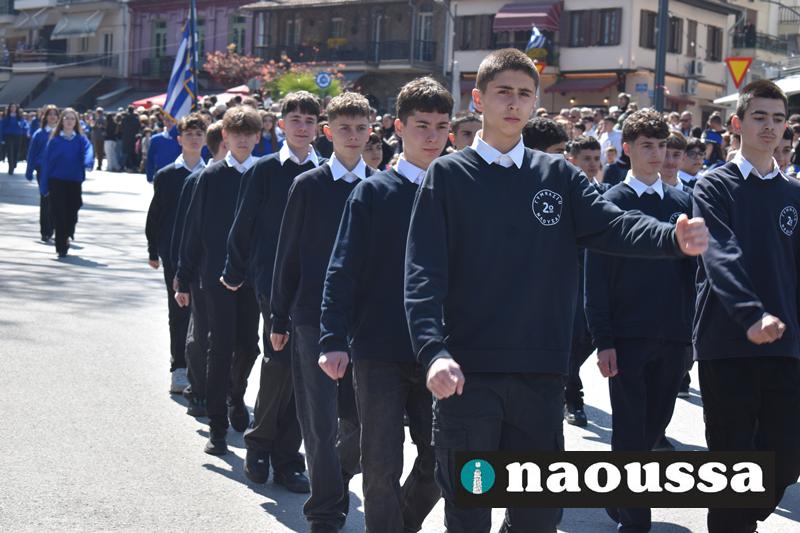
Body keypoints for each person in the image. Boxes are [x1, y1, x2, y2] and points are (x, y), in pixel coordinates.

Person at [403, 48, 709, 533]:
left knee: (539, 516)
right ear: (478, 99)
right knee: (469, 513)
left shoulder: (558, 176)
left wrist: (671, 237)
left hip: (541, 376)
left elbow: (614, 225)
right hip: (468, 377)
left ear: (535, 102)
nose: (514, 103)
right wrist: (432, 352)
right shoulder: (448, 175)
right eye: (503, 92)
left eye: (525, 94)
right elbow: (422, 273)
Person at [319, 77, 449, 533]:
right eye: (421, 125)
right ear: (399, 127)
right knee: (379, 466)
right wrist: (332, 338)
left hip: (439, 352)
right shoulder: (372, 192)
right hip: (377, 349)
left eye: (441, 126)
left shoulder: (458, 192)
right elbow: (342, 268)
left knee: (440, 462)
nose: (432, 136)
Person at [693, 79, 800, 533]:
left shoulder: (793, 193)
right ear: (737, 124)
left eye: (778, 119)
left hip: (786, 346)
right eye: (759, 117)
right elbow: (719, 253)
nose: (769, 127)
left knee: (787, 458)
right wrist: (750, 313)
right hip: (727, 343)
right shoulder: (713, 186)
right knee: (733, 465)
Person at [584, 109, 695, 532]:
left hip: (674, 336)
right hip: (627, 337)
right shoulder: (610, 203)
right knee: (631, 431)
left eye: (662, 146)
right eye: (647, 146)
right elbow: (596, 278)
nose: (657, 154)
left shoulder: (682, 204)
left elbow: (695, 274)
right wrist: (603, 340)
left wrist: (692, 335)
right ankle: (635, 520)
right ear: (627, 149)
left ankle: (619, 489)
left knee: (654, 429)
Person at [269, 92, 371, 532]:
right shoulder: (308, 185)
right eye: (344, 128)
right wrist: (279, 316)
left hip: (365, 320)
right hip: (311, 315)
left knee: (361, 420)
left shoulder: (379, 185)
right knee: (319, 419)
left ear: (372, 131)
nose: (353, 136)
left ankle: (338, 477)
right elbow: (287, 253)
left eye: (361, 128)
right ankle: (325, 511)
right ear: (327, 133)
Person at [222, 91, 323, 494]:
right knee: (279, 361)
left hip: (314, 284)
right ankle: (260, 443)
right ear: (280, 125)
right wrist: (234, 270)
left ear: (319, 128)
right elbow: (242, 223)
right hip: (272, 280)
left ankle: (288, 457)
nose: (302, 127)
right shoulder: (263, 170)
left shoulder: (326, 171)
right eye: (295, 119)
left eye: (309, 120)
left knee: (307, 371)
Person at [175, 106, 262, 455]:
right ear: (224, 136)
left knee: (249, 346)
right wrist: (183, 276)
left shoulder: (264, 174)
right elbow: (193, 228)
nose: (242, 139)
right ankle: (217, 426)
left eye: (248, 133)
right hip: (215, 276)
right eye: (236, 133)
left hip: (253, 277)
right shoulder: (209, 177)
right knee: (219, 347)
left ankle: (235, 394)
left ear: (258, 137)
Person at [145, 113, 208, 395]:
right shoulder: (167, 175)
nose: (194, 139)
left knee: (203, 313)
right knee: (179, 311)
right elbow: (156, 215)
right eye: (189, 134)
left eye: (199, 134)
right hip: (173, 253)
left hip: (204, 254)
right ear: (179, 139)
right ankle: (179, 367)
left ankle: (200, 367)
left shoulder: (211, 173)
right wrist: (153, 249)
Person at [171, 121, 226, 417]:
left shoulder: (251, 176)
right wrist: (182, 273)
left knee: (232, 339)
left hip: (235, 273)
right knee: (201, 333)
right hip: (203, 270)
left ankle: (225, 390)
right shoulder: (198, 180)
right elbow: (185, 231)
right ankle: (199, 390)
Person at [563, 135, 608, 428]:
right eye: (586, 159)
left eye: (596, 159)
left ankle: (564, 378)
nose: (592, 165)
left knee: (591, 336)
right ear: (573, 161)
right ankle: (573, 397)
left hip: (598, 276)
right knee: (574, 335)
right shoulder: (566, 193)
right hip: (572, 276)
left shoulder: (604, 193)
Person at [38, 108, 94, 258]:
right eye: (66, 118)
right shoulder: (54, 141)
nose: (69, 121)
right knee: (58, 212)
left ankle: (67, 233)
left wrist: (88, 162)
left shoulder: (81, 140)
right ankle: (61, 245)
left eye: (72, 119)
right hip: (56, 181)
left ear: (76, 122)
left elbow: (88, 151)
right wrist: (44, 185)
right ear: (61, 121)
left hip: (74, 180)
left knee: (73, 210)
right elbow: (46, 163)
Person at [25, 105, 59, 243]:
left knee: (56, 200)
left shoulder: (61, 134)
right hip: (43, 170)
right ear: (45, 117)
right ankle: (45, 231)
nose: (52, 116)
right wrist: (29, 170)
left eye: (55, 114)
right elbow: (32, 153)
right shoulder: (39, 134)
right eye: (50, 114)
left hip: (58, 171)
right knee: (45, 199)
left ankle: (54, 227)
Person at [3, 103, 25, 174]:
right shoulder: (7, 117)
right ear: (9, 108)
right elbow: (2, 126)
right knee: (10, 152)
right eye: (11, 107)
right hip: (9, 136)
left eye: (14, 107)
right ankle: (10, 167)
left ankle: (14, 163)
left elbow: (22, 125)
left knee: (16, 151)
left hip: (17, 136)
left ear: (16, 109)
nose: (13, 108)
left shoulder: (19, 117)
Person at [120, 105, 140, 171]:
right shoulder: (136, 119)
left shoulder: (124, 118)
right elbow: (138, 128)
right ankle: (132, 166)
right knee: (132, 152)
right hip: (133, 137)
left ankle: (123, 165)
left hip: (125, 137)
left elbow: (121, 128)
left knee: (125, 152)